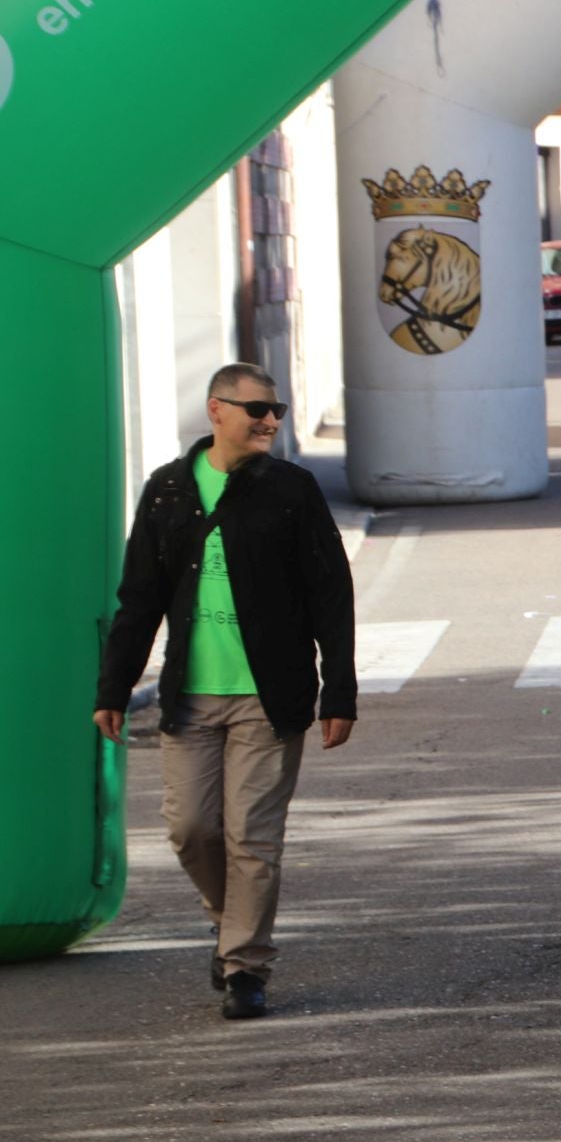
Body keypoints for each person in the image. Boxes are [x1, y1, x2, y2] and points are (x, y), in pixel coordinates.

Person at [92, 364, 357, 1020]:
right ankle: (230, 922)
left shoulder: (292, 491)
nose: (270, 420)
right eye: (257, 409)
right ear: (217, 410)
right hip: (189, 697)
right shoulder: (169, 492)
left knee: (252, 838)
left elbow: (331, 593)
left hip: (270, 697)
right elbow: (139, 600)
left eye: (277, 410)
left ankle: (245, 968)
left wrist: (339, 691)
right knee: (190, 829)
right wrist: (115, 686)